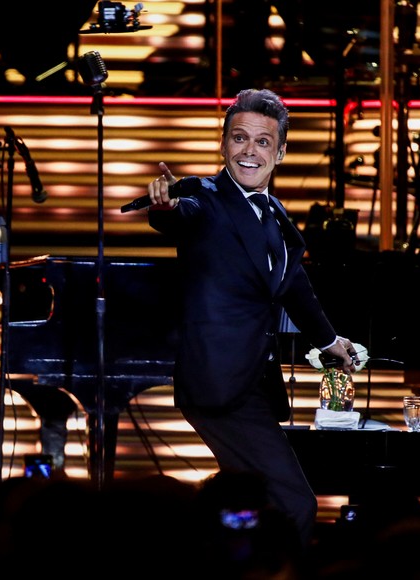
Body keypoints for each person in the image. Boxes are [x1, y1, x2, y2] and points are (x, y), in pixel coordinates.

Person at [144, 88, 358, 548]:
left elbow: (294, 286)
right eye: (239, 138)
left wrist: (329, 342)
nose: (249, 151)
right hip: (217, 385)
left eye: (263, 142)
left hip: (253, 383)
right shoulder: (205, 197)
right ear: (223, 144)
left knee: (248, 509)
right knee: (294, 504)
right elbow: (180, 214)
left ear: (280, 153)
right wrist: (166, 206)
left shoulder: (273, 213)